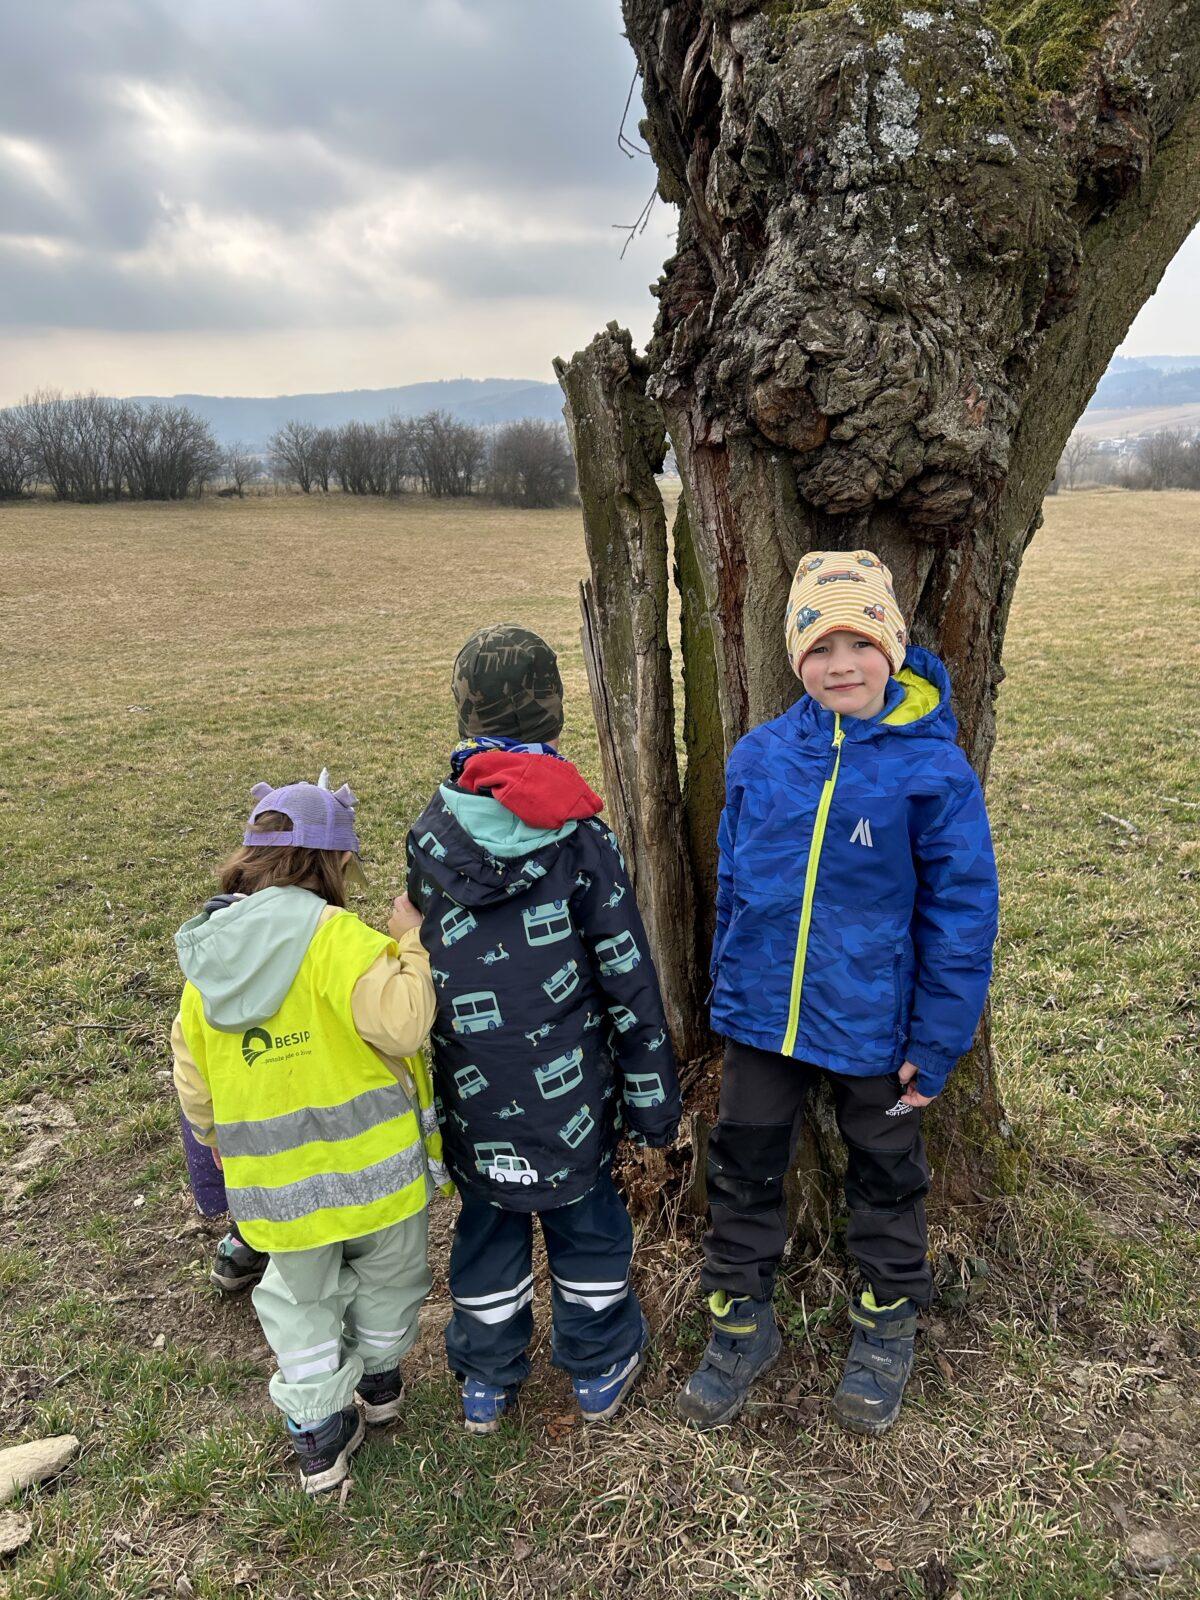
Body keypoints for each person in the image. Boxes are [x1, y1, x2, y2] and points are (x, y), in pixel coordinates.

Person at [678, 551, 999, 1436]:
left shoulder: (933, 772)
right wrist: (730, 985)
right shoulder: (760, 757)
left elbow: (962, 917)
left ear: (892, 647)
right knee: (742, 1164)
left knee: (887, 1173)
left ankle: (887, 1323)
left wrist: (936, 1041)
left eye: (861, 642)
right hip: (761, 1019)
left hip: (874, 1025)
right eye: (821, 646)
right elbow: (733, 882)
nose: (842, 664)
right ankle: (740, 1322)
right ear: (796, 658)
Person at [407, 624, 681, 1434]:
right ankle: (598, 1366)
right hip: (573, 1105)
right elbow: (627, 974)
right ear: (554, 712)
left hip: (472, 1092)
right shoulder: (583, 836)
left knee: (487, 1226)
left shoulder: (431, 833)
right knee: (587, 1223)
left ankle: (486, 1379)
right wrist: (654, 1105)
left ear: (464, 715)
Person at [171, 775, 447, 1493]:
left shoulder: (208, 961)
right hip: (376, 1174)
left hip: (275, 1188)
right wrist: (412, 944)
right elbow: (404, 1025)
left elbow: (191, 1070)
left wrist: (212, 1134)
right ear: (336, 862)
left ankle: (320, 1434)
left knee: (299, 1301)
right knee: (390, 1276)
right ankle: (380, 1384)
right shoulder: (340, 939)